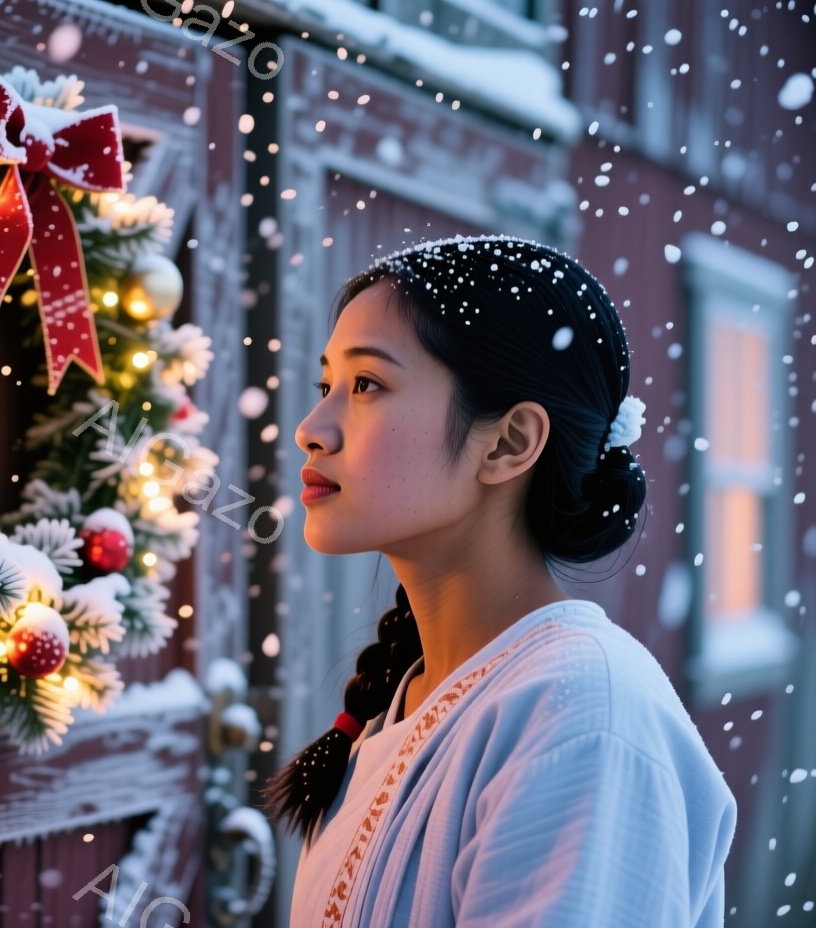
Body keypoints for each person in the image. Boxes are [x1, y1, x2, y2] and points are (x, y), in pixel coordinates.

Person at [264, 235, 737, 927]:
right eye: (325, 385)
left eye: (367, 384)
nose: (312, 429)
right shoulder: (408, 701)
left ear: (511, 442)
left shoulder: (583, 719)